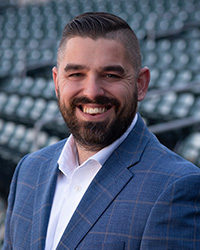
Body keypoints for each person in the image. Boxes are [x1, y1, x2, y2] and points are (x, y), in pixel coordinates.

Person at [3, 12, 200, 250]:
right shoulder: (28, 170)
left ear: (140, 85)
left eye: (110, 75)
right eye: (76, 74)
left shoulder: (176, 187)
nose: (92, 91)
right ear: (57, 82)